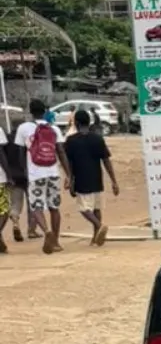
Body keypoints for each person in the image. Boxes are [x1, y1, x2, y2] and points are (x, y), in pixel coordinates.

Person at [17, 100, 71, 254]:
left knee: (36, 207)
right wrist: (68, 174)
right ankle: (56, 242)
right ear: (45, 111)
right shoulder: (54, 129)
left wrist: (24, 172)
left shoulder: (23, 128)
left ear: (31, 112)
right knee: (54, 208)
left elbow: (20, 154)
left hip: (35, 174)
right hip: (53, 173)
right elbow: (61, 152)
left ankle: (47, 231)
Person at [64, 108, 119, 245]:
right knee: (96, 208)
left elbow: (69, 163)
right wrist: (114, 181)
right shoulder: (97, 139)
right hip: (97, 178)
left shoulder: (71, 141)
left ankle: (99, 226)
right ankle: (96, 237)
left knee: (84, 209)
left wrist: (70, 179)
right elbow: (106, 160)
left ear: (76, 123)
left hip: (82, 179)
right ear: (89, 122)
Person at [1, 116, 27, 241]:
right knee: (29, 204)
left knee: (13, 202)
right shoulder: (25, 139)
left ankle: (15, 220)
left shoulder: (6, 139)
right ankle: (31, 228)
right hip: (24, 174)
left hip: (10, 174)